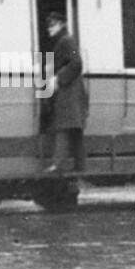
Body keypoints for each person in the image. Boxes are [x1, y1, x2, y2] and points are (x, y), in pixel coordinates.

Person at [44, 11, 88, 173]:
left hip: (69, 91)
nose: (49, 28)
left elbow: (77, 62)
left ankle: (58, 164)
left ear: (62, 24)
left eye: (52, 25)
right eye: (48, 25)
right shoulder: (64, 41)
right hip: (72, 91)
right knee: (74, 130)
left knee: (63, 126)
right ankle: (80, 168)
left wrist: (58, 78)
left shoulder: (67, 41)